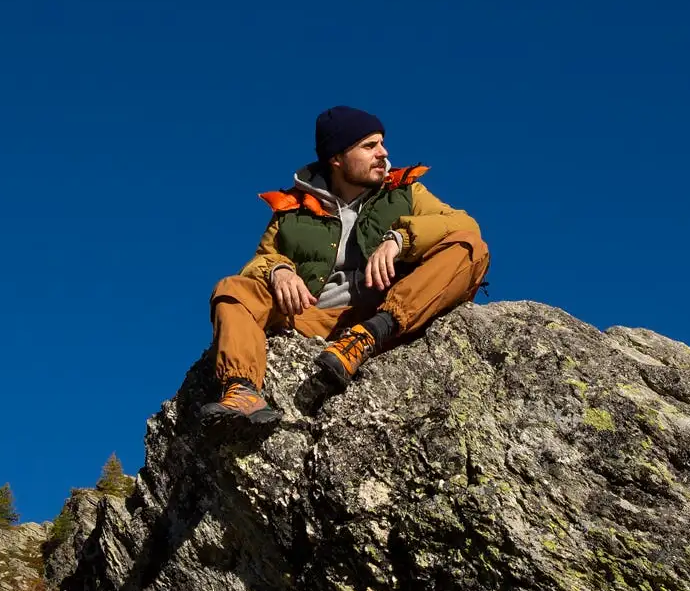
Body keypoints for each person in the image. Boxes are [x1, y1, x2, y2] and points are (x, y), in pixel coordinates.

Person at [201, 106, 489, 428]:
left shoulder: (405, 192)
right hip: (312, 317)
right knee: (232, 289)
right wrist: (278, 270)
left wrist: (400, 240)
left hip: (388, 309)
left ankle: (366, 337)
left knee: (470, 248)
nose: (383, 153)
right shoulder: (292, 209)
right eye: (369, 146)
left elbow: (462, 224)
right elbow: (259, 261)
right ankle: (242, 391)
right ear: (336, 158)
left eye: (382, 143)